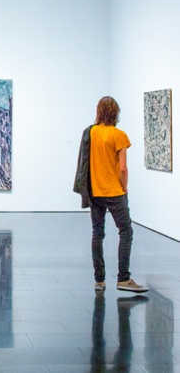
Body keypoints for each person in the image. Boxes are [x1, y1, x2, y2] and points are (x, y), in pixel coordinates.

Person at [75, 96, 149, 293]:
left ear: (99, 111)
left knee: (97, 233)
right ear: (116, 113)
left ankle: (99, 280)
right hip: (114, 191)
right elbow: (123, 168)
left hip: (94, 191)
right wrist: (124, 187)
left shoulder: (89, 132)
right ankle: (123, 278)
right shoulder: (119, 135)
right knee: (126, 231)